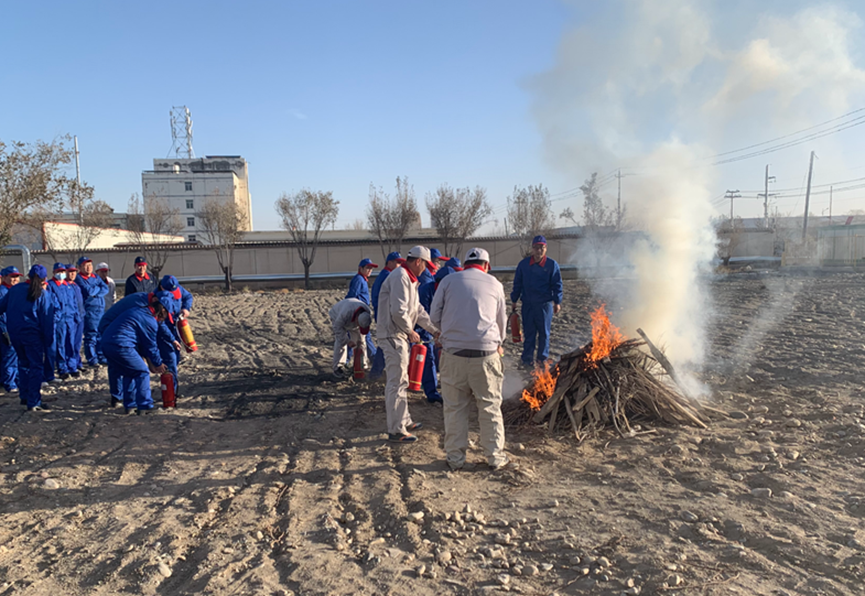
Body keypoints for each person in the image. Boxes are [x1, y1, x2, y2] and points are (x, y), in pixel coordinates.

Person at [431, 247, 509, 470]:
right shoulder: (495, 284)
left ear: (465, 264)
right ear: (486, 265)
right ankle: (494, 457)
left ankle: (455, 459)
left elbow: (434, 316)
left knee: (455, 409)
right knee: (490, 407)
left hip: (453, 354)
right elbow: (501, 324)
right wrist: (498, 343)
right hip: (485, 355)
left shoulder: (448, 281)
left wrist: (451, 331)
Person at [377, 246, 440, 443]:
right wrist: (410, 331)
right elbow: (398, 311)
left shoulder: (411, 280)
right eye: (426, 266)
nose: (428, 271)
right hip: (392, 335)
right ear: (418, 261)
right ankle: (396, 429)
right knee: (396, 382)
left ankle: (404, 420)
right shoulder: (401, 277)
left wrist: (434, 330)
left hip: (398, 335)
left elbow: (418, 310)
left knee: (402, 379)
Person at [99, 289, 175, 408]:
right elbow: (150, 346)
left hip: (106, 342)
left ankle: (129, 405)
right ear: (162, 310)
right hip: (121, 344)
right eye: (165, 316)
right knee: (142, 372)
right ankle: (145, 405)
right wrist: (158, 363)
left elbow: (143, 344)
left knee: (129, 371)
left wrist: (152, 361)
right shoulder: (149, 320)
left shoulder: (140, 310)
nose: (163, 320)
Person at [0, 265, 55, 411]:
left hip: (15, 333)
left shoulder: (14, 290)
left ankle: (24, 396)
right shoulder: (42, 294)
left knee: (23, 364)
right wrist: (48, 341)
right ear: (44, 279)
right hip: (32, 335)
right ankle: (34, 401)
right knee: (35, 366)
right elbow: (47, 320)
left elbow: (1, 307)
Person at [511, 236, 563, 369]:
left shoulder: (552, 265)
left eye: (542, 247)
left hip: (544, 305)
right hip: (527, 304)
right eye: (536, 247)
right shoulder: (524, 265)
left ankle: (542, 359)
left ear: (546, 248)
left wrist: (557, 301)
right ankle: (527, 360)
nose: (539, 250)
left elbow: (557, 284)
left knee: (544, 333)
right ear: (532, 249)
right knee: (529, 333)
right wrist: (514, 299)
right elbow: (517, 283)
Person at [417, 266, 457, 404]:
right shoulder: (425, 291)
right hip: (421, 329)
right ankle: (431, 393)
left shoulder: (452, 292)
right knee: (428, 358)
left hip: (440, 330)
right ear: (438, 282)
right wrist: (435, 334)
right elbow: (423, 316)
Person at [157, 275, 193, 395]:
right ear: (162, 288)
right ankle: (171, 393)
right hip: (164, 331)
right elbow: (160, 323)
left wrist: (185, 308)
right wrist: (171, 339)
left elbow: (188, 296)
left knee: (175, 359)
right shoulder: (158, 298)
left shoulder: (178, 288)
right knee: (170, 360)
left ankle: (172, 388)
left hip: (176, 327)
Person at [369, 251, 401, 379]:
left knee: (385, 343)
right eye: (397, 262)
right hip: (385, 315)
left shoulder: (383, 274)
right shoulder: (389, 276)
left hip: (381, 314)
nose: (399, 265)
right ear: (390, 262)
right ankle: (376, 372)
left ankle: (377, 371)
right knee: (386, 343)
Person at [75, 256, 109, 367]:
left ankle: (101, 356)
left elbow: (105, 288)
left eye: (90, 265)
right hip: (90, 310)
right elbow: (89, 291)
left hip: (100, 309)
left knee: (100, 334)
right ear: (80, 267)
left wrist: (96, 291)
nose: (89, 267)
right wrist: (97, 289)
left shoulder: (95, 277)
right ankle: (92, 359)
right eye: (86, 265)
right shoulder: (79, 278)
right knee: (91, 335)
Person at [345, 258, 378, 366]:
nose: (370, 270)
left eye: (371, 268)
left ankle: (351, 359)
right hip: (358, 313)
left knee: (360, 336)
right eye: (367, 268)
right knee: (361, 336)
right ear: (361, 268)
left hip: (361, 312)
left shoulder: (362, 279)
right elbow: (352, 295)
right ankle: (372, 357)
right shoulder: (359, 279)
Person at [328, 298, 372, 377]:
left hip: (353, 321)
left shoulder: (367, 312)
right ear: (356, 319)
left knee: (361, 341)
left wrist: (357, 341)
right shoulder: (345, 313)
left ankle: (362, 365)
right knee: (341, 342)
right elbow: (338, 328)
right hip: (337, 316)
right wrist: (347, 341)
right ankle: (338, 367)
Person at [44, 263, 70, 381]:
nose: (61, 274)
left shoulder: (66, 285)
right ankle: (49, 373)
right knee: (52, 347)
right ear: (54, 272)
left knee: (62, 345)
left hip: (65, 319)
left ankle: (63, 369)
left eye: (63, 271)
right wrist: (54, 319)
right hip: (54, 321)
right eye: (59, 271)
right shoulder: (50, 285)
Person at [0, 266, 22, 394]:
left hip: (17, 327)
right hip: (7, 328)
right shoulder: (3, 291)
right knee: (9, 357)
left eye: (16, 277)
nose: (15, 279)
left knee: (17, 356)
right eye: (12, 277)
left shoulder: (16, 291)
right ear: (5, 277)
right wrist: (4, 330)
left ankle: (17, 380)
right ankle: (9, 383)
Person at [65, 264, 85, 376]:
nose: (72, 274)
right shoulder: (65, 286)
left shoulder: (76, 285)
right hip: (70, 318)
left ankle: (78, 363)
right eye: (70, 272)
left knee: (77, 343)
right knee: (70, 343)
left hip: (80, 317)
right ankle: (71, 366)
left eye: (74, 272)